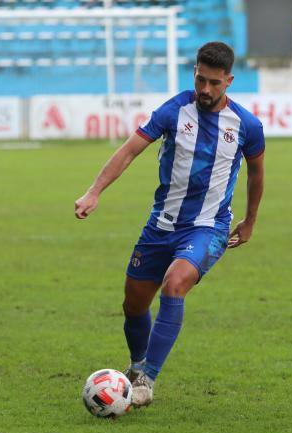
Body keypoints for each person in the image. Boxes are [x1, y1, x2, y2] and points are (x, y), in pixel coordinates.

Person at [74, 42, 265, 407]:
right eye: (199, 79)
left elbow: (257, 174)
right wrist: (94, 191)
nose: (205, 90)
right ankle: (136, 366)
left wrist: (250, 219)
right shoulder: (174, 110)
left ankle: (146, 380)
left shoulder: (247, 125)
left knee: (175, 284)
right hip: (161, 225)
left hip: (208, 227)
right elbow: (129, 150)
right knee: (134, 304)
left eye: (214, 83)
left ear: (229, 81)